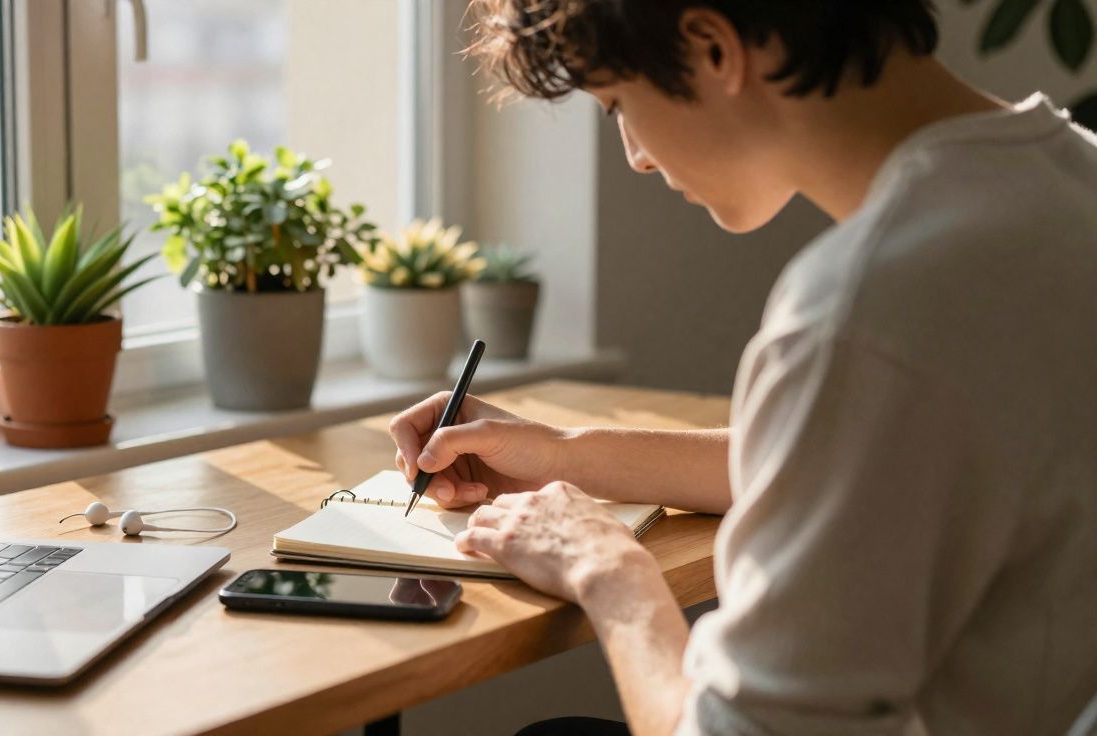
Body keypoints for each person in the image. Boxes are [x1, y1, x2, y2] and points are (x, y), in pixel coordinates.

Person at [388, 1, 1097, 734]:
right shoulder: (1072, 178)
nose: (635, 153)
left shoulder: (867, 309)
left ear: (711, 48)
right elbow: (868, 466)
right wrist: (561, 455)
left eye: (617, 105)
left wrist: (609, 573)